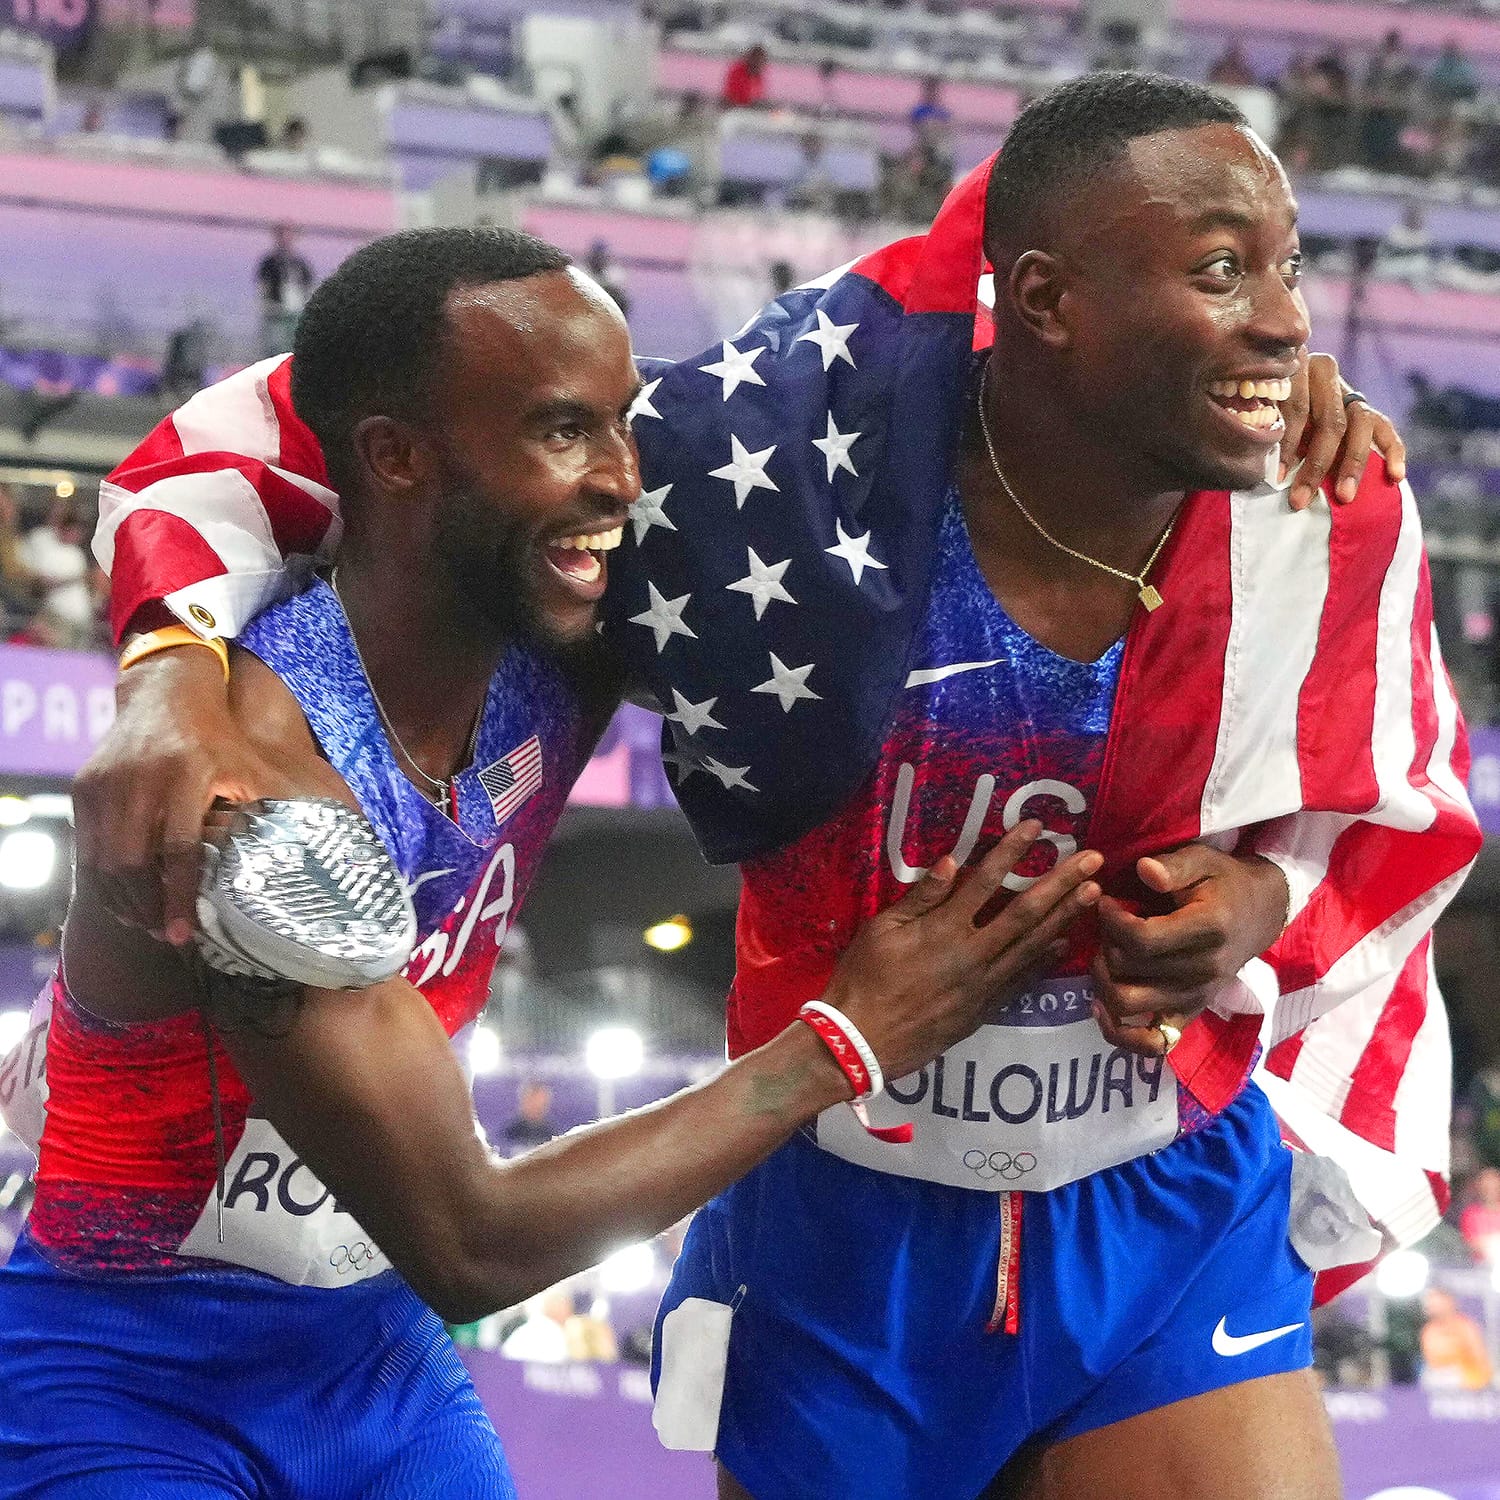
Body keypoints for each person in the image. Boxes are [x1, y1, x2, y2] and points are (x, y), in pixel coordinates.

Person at [70, 74, 1466, 1500]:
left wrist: (1259, 897)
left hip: (1146, 1182)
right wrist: (169, 662)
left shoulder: (1304, 504)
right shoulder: (784, 492)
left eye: (1282, 272)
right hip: (834, 1202)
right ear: (1047, 298)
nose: (1286, 321)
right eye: (1223, 271)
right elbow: (307, 411)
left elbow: (1378, 808)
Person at [0, 227, 1106, 1498]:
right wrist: (840, 1044)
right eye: (564, 432)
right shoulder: (249, 785)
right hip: (127, 1372)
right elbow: (473, 1244)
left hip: (374, 1356)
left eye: (622, 425)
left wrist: (1255, 381)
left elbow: (888, 376)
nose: (624, 480)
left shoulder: (560, 637)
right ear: (398, 459)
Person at [256, 223, 315, 357]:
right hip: (275, 312)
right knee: (274, 348)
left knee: (293, 348)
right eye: (282, 235)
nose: (285, 238)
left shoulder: (300, 263)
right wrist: (266, 305)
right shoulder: (269, 262)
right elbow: (263, 286)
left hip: (296, 312)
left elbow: (309, 286)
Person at [1419, 1288, 1494, 1390]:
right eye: (1430, 1302)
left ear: (1449, 1303)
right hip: (1439, 1381)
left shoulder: (1466, 1327)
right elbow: (1432, 1361)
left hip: (1468, 1382)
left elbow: (1481, 1360)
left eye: (1436, 1302)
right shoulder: (1428, 1331)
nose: (1431, 1305)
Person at [501, 1079, 559, 1152]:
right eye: (532, 1101)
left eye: (540, 1102)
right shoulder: (509, 1132)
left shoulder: (552, 1134)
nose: (536, 1105)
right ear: (523, 1102)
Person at [721, 45, 767, 110]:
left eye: (762, 61)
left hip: (750, 110)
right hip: (733, 109)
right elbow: (733, 95)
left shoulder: (758, 76)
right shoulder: (737, 71)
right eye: (757, 59)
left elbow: (758, 95)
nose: (760, 63)